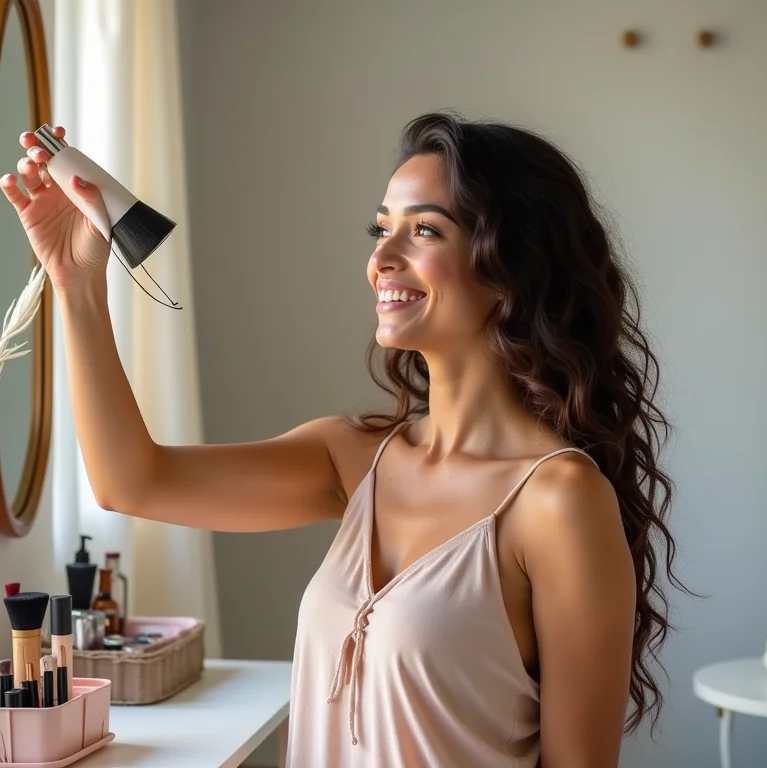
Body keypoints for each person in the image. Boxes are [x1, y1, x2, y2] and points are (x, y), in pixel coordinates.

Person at [2, 112, 679, 767]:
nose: (382, 258)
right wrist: (77, 283)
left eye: (424, 231)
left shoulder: (559, 500)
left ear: (511, 268)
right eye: (381, 229)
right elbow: (130, 483)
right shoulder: (352, 456)